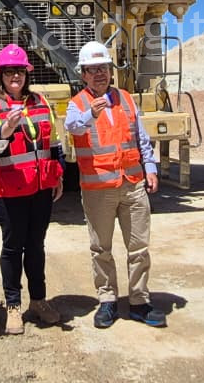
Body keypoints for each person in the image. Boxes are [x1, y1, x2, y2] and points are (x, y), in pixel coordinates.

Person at [63, 41, 166, 329]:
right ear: (83, 74)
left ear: (111, 71)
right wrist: (91, 114)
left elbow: (140, 137)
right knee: (101, 249)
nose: (99, 74)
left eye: (104, 68)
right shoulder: (77, 104)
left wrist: (150, 167)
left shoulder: (127, 99)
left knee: (139, 247)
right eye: (92, 69)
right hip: (99, 189)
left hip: (132, 184)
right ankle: (107, 300)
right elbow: (72, 127)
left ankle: (139, 302)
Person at [0, 44, 64, 335]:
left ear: (27, 74)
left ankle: (38, 300)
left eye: (20, 71)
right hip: (8, 190)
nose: (15, 76)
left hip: (40, 187)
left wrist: (58, 176)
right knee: (13, 247)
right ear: (0, 76)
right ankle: (13, 306)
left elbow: (54, 142)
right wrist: (6, 127)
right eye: (9, 71)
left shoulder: (40, 101)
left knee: (36, 246)